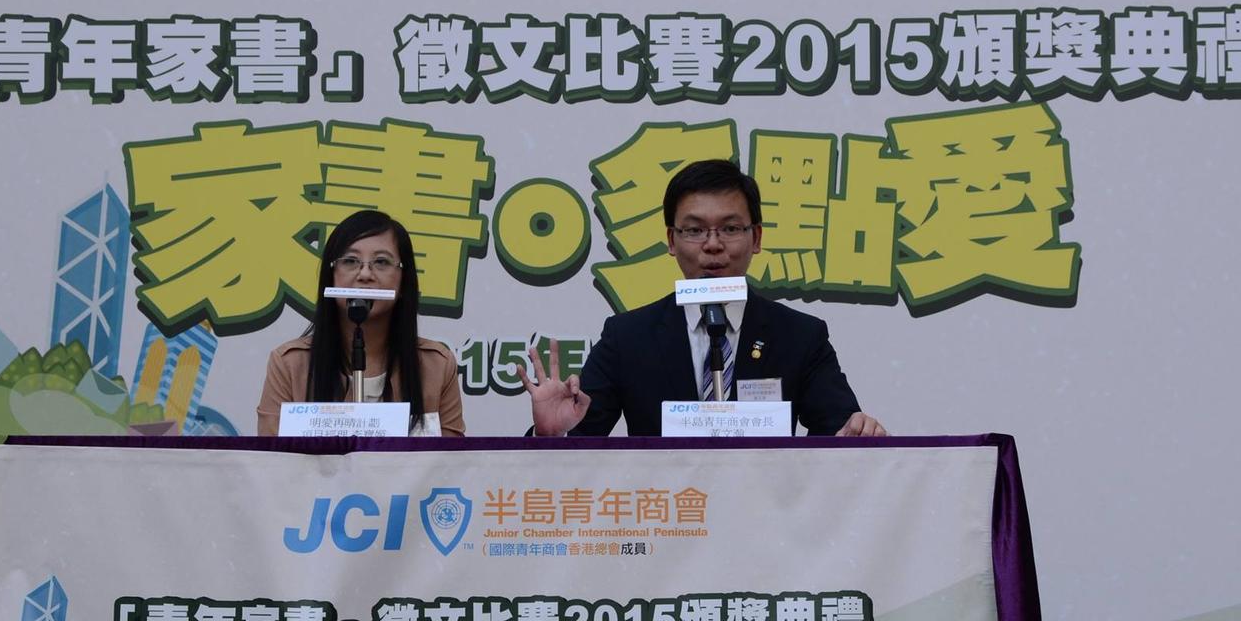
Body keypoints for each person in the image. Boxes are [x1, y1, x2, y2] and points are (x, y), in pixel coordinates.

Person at [518, 159, 887, 437]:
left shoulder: (800, 336)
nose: (712, 245)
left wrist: (856, 435)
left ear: (756, 238)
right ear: (671, 240)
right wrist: (550, 435)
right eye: (694, 230)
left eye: (730, 228)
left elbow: (838, 436)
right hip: (667, 513)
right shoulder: (628, 337)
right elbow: (576, 449)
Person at [257, 209, 466, 437]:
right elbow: (272, 455)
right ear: (331, 275)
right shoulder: (289, 364)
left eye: (381, 262)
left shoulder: (437, 366)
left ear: (404, 280)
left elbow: (451, 457)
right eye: (350, 261)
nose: (365, 274)